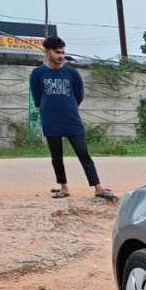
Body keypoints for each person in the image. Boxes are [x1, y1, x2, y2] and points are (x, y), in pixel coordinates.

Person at [30, 36, 114, 200]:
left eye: (63, 52)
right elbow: (37, 97)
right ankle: (64, 187)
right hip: (50, 120)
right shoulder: (38, 73)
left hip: (71, 119)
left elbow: (79, 95)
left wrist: (68, 106)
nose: (61, 56)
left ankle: (98, 188)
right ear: (47, 52)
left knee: (83, 153)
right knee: (56, 156)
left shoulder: (71, 73)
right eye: (57, 52)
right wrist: (49, 107)